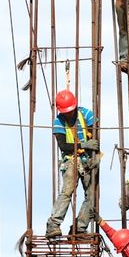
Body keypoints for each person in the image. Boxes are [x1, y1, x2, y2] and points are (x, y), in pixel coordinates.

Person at [46, 89, 99, 237]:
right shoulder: (58, 121)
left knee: (92, 196)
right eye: (65, 112)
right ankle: (53, 225)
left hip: (88, 160)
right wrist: (83, 145)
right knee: (67, 191)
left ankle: (79, 228)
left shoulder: (86, 114)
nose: (68, 114)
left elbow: (95, 137)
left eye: (70, 111)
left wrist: (90, 148)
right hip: (71, 160)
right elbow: (63, 146)